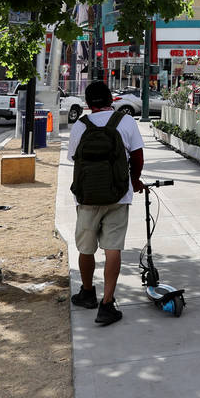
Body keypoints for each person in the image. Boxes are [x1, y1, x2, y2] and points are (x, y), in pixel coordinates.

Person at [68, 80, 144, 326]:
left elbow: (74, 158)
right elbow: (137, 155)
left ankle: (87, 292)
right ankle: (107, 304)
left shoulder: (80, 126)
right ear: (111, 100)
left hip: (87, 197)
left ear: (89, 105)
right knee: (113, 249)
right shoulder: (126, 121)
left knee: (85, 248)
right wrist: (134, 180)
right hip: (118, 195)